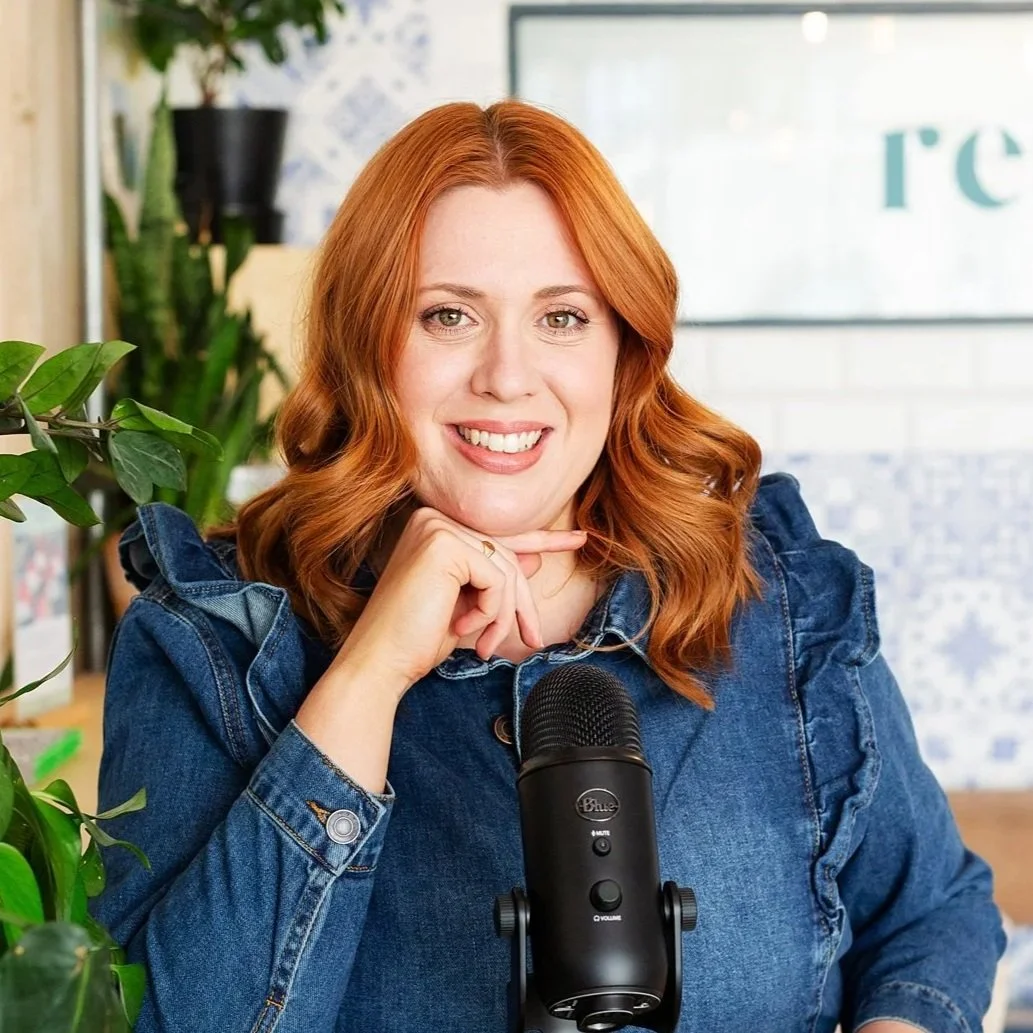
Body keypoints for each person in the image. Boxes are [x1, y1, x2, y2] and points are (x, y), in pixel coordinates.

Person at [90, 99, 1006, 1033]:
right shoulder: (214, 641)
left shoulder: (779, 603)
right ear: (367, 341)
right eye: (448, 315)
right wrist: (366, 677)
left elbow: (931, 911)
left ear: (623, 349)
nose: (506, 374)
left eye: (561, 317)